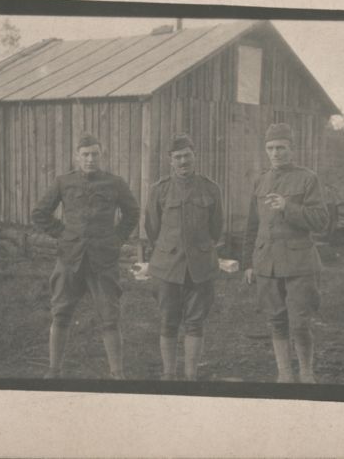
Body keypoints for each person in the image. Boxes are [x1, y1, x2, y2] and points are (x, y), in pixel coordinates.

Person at [32, 134, 140, 380]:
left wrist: (116, 239)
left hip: (103, 261)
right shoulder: (63, 182)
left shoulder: (115, 183)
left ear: (102, 155)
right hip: (70, 259)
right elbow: (39, 213)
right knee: (60, 313)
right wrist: (63, 234)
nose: (90, 159)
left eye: (95, 154)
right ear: (77, 157)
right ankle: (54, 370)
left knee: (110, 318)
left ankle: (117, 374)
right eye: (86, 154)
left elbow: (132, 212)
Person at [241, 123, 329, 383]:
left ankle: (306, 372)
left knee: (300, 322)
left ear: (292, 149)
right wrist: (248, 263)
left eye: (281, 148)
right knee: (275, 320)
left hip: (300, 263)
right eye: (270, 148)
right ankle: (284, 374)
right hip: (266, 263)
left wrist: (287, 206)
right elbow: (252, 226)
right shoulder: (261, 180)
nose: (275, 153)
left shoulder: (307, 178)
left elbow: (321, 220)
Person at [145, 134, 224, 381]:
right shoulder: (160, 190)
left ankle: (191, 374)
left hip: (200, 267)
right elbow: (152, 228)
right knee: (168, 322)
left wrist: (200, 249)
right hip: (168, 267)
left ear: (195, 156)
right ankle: (169, 373)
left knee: (195, 322)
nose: (183, 161)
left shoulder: (210, 188)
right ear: (170, 161)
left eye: (187, 156)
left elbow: (216, 227)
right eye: (177, 157)